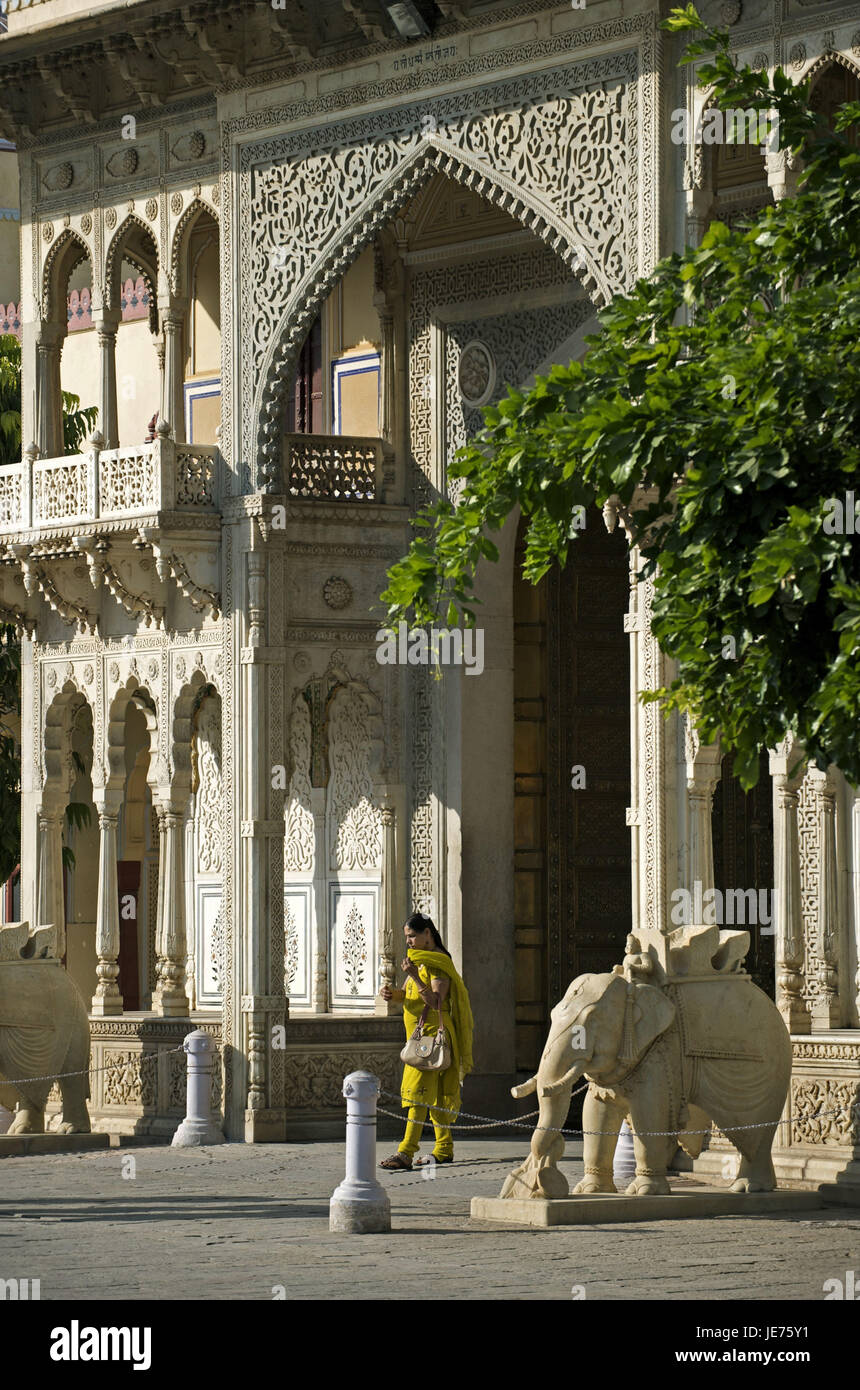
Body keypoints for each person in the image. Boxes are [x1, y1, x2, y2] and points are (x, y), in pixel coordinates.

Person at [379, 911, 474, 1171]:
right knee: (432, 1096)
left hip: (431, 1038)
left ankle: (406, 1152)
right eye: (406, 937)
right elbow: (411, 996)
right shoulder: (419, 961)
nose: (408, 941)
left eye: (412, 936)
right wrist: (394, 994)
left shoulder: (437, 962)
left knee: (417, 1092)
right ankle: (443, 1147)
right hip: (421, 1036)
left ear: (427, 934)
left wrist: (415, 976)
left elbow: (435, 1002)